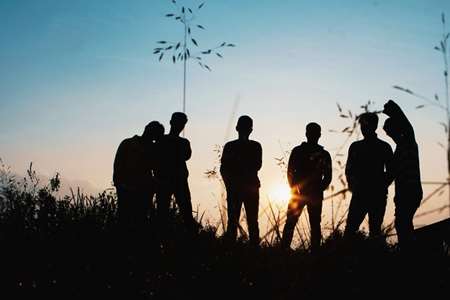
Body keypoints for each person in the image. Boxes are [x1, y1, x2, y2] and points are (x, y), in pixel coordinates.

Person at [281, 123, 332, 252]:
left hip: (309, 194)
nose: (313, 135)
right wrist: (294, 188)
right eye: (312, 133)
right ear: (307, 134)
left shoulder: (322, 154)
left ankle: (313, 251)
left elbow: (328, 176)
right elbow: (290, 172)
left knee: (312, 224)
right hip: (300, 194)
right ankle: (284, 249)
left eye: (315, 133)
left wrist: (318, 189)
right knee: (293, 223)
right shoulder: (300, 151)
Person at [344, 112, 393, 239]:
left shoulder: (384, 147)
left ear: (374, 126)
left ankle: (371, 256)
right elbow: (349, 170)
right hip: (362, 194)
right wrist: (354, 185)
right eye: (362, 125)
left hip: (376, 195)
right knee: (351, 230)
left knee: (374, 232)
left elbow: (391, 172)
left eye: (365, 125)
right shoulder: (356, 147)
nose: (363, 128)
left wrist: (380, 185)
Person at [383, 100, 423, 252]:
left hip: (411, 191)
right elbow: (390, 175)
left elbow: (406, 124)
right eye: (388, 134)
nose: (390, 136)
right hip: (402, 194)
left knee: (403, 223)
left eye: (391, 132)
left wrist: (391, 109)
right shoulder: (398, 151)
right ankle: (408, 251)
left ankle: (409, 252)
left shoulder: (409, 141)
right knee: (402, 224)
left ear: (397, 129)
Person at [113, 121, 165, 228]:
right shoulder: (127, 143)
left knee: (140, 220)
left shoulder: (154, 149)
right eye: (152, 131)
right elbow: (118, 165)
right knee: (125, 219)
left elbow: (157, 169)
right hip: (126, 189)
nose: (152, 135)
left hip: (144, 190)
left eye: (155, 134)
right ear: (146, 128)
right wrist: (119, 184)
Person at [220, 115, 262, 246]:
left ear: (250, 130)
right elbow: (224, 168)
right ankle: (231, 249)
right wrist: (229, 185)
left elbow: (257, 165)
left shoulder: (255, 146)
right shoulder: (230, 146)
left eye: (247, 127)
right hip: (236, 188)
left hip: (250, 188)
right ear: (237, 128)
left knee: (252, 221)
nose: (245, 130)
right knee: (233, 221)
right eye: (243, 127)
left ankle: (253, 250)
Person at [155, 112, 195, 232]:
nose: (180, 126)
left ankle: (190, 237)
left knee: (186, 212)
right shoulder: (163, 140)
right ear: (171, 122)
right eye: (179, 123)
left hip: (178, 181)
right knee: (163, 212)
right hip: (165, 181)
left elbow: (187, 155)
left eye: (182, 124)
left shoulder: (182, 142)